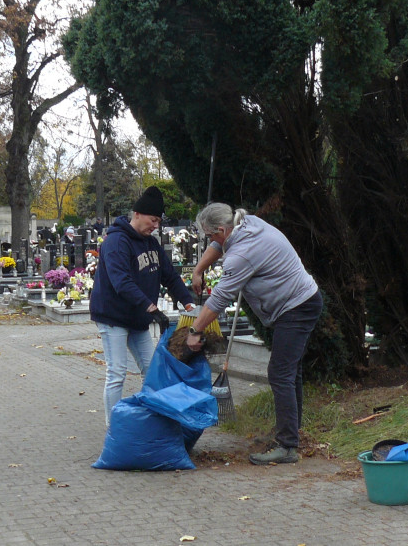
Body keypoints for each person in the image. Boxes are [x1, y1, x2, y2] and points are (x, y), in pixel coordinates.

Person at [184, 203, 322, 465]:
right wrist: (198, 269)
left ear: (223, 229)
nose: (210, 241)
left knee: (280, 373)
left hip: (297, 307)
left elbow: (220, 298)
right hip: (301, 301)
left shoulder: (242, 255)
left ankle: (287, 446)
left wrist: (195, 331)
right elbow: (218, 245)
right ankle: (290, 433)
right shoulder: (246, 222)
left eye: (211, 234)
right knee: (290, 372)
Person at [90, 186, 196, 426]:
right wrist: (151, 307)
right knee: (117, 372)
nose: (155, 225)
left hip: (137, 319)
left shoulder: (152, 244)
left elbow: (169, 275)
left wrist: (188, 302)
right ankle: (114, 427)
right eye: (153, 219)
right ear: (137, 214)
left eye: (158, 221)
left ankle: (152, 420)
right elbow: (121, 282)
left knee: (151, 369)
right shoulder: (117, 241)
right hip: (112, 316)